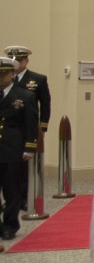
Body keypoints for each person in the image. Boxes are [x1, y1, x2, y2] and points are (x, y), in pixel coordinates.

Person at [4, 45, 50, 216]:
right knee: (10, 170)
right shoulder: (6, 79)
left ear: (26, 61)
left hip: (28, 128)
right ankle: (12, 200)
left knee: (24, 169)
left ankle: (23, 198)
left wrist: (42, 127)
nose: (17, 64)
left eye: (20, 60)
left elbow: (45, 104)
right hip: (9, 131)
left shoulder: (37, 79)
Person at [0, 56, 37, 242]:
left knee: (11, 191)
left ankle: (9, 225)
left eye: (3, 74)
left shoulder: (24, 96)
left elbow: (30, 124)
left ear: (12, 74)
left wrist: (29, 147)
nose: (0, 77)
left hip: (12, 149)